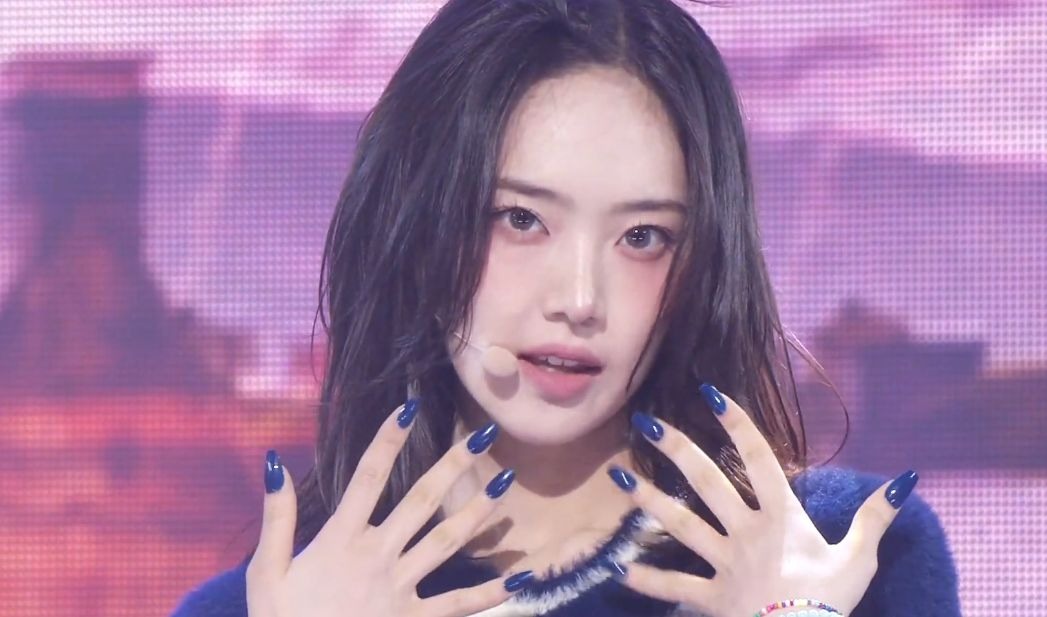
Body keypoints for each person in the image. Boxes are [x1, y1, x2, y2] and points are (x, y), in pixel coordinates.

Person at [171, 0, 960, 615]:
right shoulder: (261, 606)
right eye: (521, 219)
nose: (580, 299)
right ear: (417, 224)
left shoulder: (852, 555)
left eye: (643, 236)